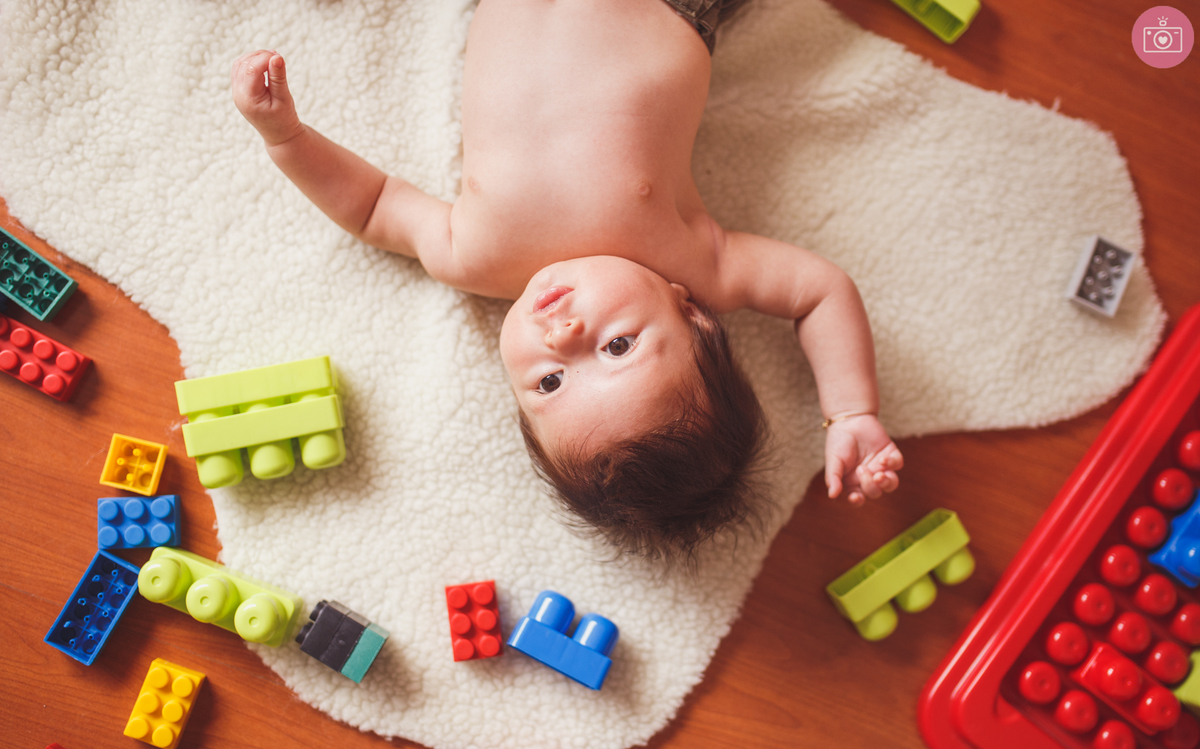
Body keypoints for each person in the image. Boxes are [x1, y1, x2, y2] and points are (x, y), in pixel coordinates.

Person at [231, 0, 903, 561]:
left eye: (550, 382)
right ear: (690, 315)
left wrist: (286, 137)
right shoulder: (690, 261)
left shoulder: (475, 258)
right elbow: (818, 292)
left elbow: (373, 206)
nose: (565, 335)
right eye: (618, 348)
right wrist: (851, 410)